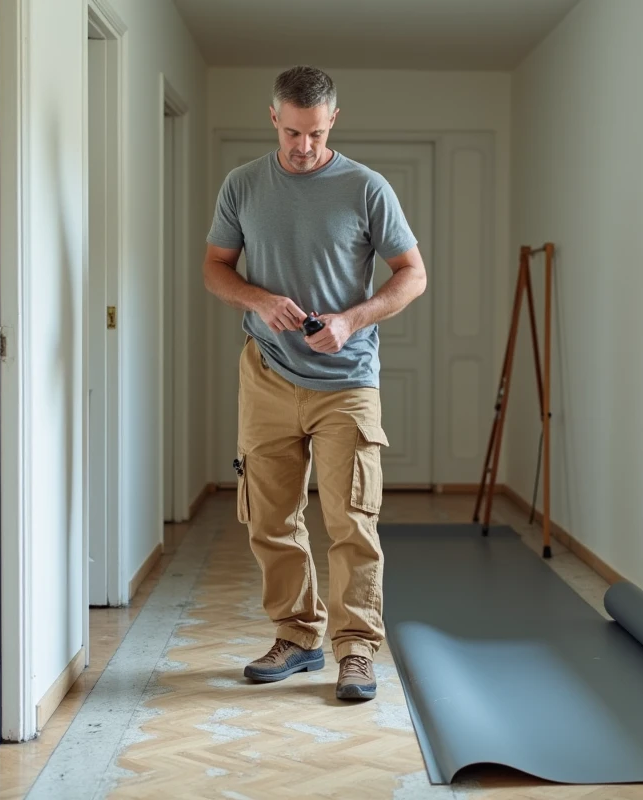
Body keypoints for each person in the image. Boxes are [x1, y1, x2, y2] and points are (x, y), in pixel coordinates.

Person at [201, 65, 427, 701]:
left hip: (347, 380)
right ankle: (298, 636)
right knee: (269, 518)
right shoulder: (242, 185)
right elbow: (216, 268)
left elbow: (412, 274)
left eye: (316, 133)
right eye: (293, 131)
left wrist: (353, 320)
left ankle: (356, 651)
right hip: (267, 373)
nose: (304, 146)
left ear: (334, 120)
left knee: (353, 520)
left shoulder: (365, 188)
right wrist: (258, 299)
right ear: (273, 117)